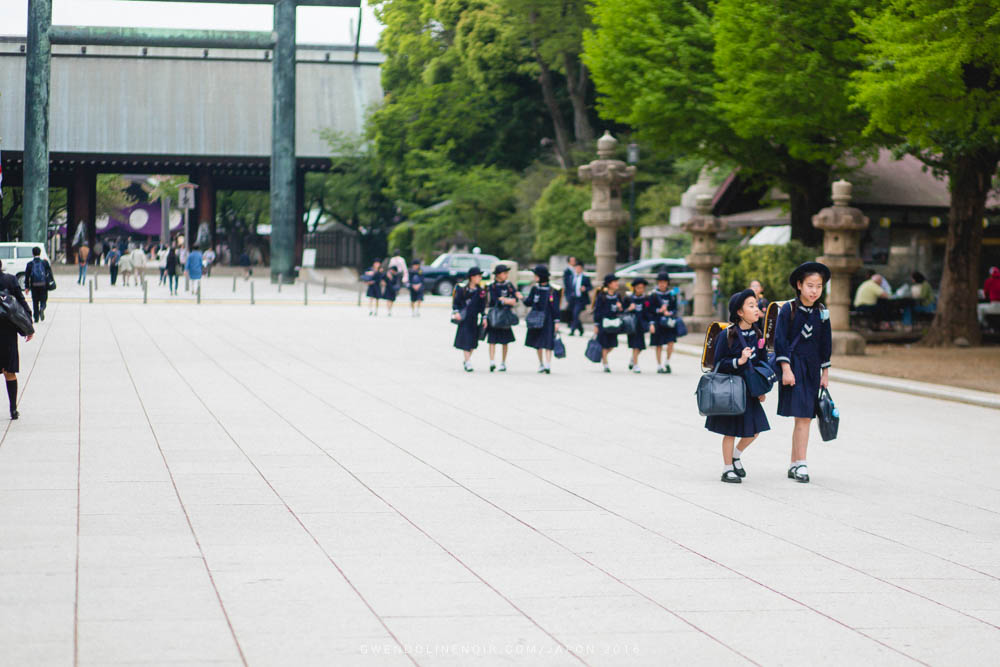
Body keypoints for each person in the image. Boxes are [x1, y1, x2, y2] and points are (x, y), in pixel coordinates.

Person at [775, 262, 832, 484]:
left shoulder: (822, 311)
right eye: (810, 285)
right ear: (799, 285)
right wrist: (786, 369)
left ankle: (794, 463)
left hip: (812, 368)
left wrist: (825, 373)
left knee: (804, 417)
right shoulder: (788, 309)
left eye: (819, 286)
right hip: (793, 367)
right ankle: (802, 463)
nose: (814, 290)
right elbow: (780, 341)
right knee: (803, 418)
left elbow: (825, 343)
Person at [707, 289, 770, 484]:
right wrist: (739, 361)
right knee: (730, 431)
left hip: (750, 390)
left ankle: (736, 455)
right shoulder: (728, 335)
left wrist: (761, 388)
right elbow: (718, 363)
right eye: (751, 306)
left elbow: (762, 362)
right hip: (732, 390)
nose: (756, 309)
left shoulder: (758, 333)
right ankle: (727, 468)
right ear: (740, 312)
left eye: (756, 305)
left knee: (755, 430)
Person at [0, 261, 34, 419]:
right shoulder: (11, 280)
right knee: (10, 372)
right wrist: (29, 327)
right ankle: (13, 409)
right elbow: (21, 302)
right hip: (8, 332)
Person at [523, 265, 561, 374]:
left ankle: (548, 364)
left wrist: (557, 321)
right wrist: (521, 297)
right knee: (538, 342)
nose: (534, 277)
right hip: (536, 318)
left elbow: (555, 307)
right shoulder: (535, 289)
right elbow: (529, 302)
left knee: (548, 342)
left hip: (548, 319)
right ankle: (541, 363)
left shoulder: (552, 290)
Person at [485, 264, 520, 372]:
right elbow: (495, 300)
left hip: (506, 316)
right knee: (492, 340)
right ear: (498, 275)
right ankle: (492, 361)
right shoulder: (492, 286)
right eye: (504, 273)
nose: (506, 275)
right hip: (495, 316)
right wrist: (506, 300)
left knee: (505, 341)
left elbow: (515, 298)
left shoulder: (509, 285)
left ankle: (503, 362)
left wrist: (505, 300)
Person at [452, 266, 487, 372]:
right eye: (478, 276)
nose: (480, 278)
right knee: (466, 341)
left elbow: (482, 306)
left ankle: (467, 359)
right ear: (472, 277)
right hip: (464, 319)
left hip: (474, 319)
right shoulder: (462, 289)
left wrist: (484, 317)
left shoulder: (481, 291)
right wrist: (456, 312)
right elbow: (456, 303)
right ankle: (468, 362)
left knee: (473, 342)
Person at [593, 274, 624, 373]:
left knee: (612, 344)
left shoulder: (617, 296)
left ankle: (603, 356)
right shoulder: (602, 296)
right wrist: (596, 324)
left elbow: (621, 311)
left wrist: (620, 307)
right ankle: (606, 364)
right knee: (604, 343)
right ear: (609, 284)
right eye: (615, 282)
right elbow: (597, 310)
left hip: (614, 323)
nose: (616, 284)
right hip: (603, 323)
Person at [649, 272, 678, 374]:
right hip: (658, 322)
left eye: (664, 282)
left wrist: (669, 312)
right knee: (658, 344)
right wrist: (659, 311)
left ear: (667, 283)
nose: (662, 284)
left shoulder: (672, 295)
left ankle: (667, 362)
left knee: (671, 342)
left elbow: (675, 309)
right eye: (660, 282)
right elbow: (650, 310)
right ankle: (659, 365)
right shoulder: (653, 295)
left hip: (669, 322)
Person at [625, 278, 654, 373]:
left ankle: (633, 359)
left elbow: (649, 312)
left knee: (641, 346)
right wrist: (629, 309)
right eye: (638, 288)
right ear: (634, 288)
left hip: (641, 325)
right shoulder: (628, 298)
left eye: (642, 288)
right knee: (635, 345)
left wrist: (651, 323)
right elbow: (622, 312)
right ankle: (636, 365)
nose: (640, 290)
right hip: (632, 325)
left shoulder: (646, 299)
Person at [25, 247, 52, 324]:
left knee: (35, 301)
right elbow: (49, 273)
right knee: (43, 299)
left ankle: (36, 317)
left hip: (34, 285)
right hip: (43, 285)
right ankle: (42, 308)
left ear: (33, 254)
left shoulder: (29, 264)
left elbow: (27, 276)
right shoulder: (44, 262)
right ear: (40, 253)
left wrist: (27, 287)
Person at [566, 262, 592, 336]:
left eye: (579, 268)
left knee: (576, 314)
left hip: (581, 299)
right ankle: (580, 329)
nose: (577, 269)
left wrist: (585, 289)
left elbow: (590, 287)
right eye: (576, 268)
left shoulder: (585, 278)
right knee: (573, 315)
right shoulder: (571, 277)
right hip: (573, 299)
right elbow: (568, 288)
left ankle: (572, 330)